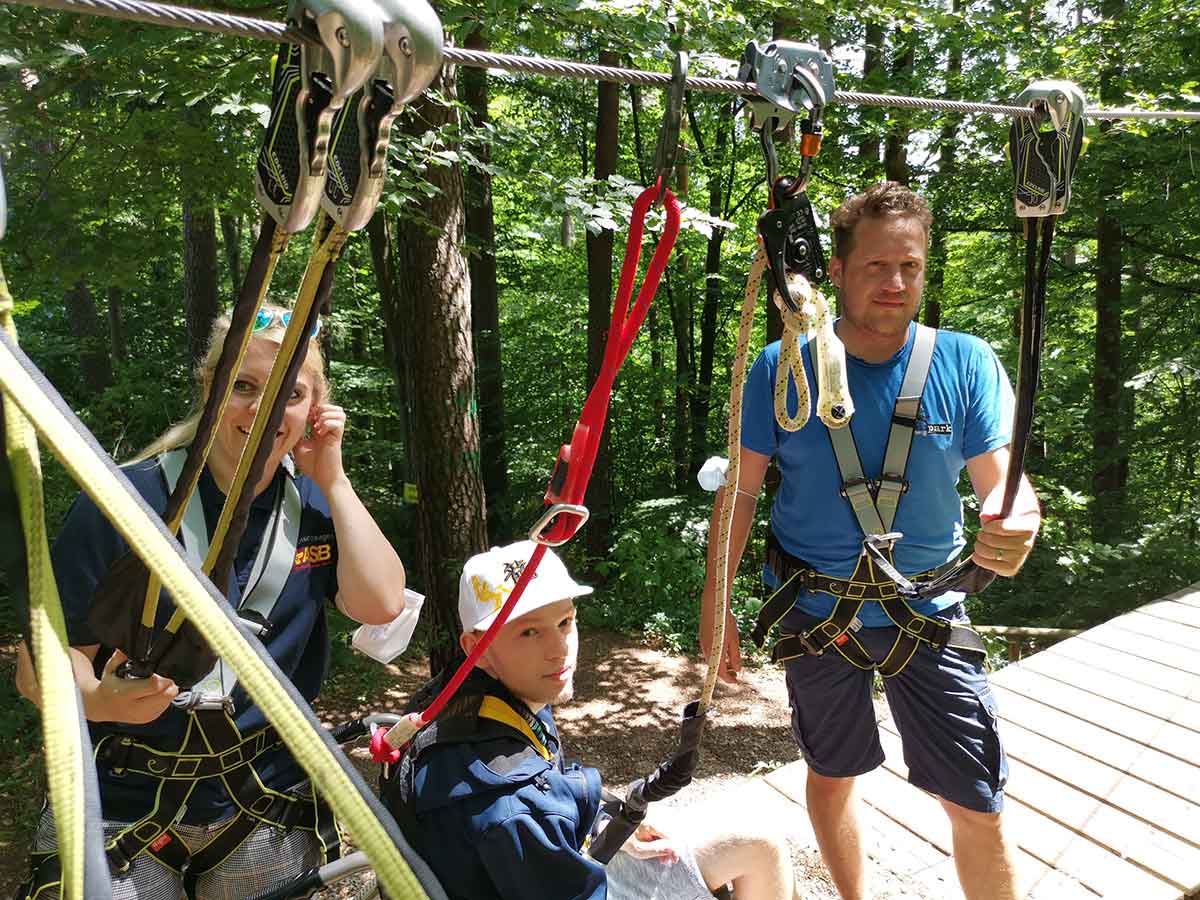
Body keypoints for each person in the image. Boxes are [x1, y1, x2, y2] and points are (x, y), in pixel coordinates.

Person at [699, 182, 1041, 900]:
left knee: (977, 798)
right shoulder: (783, 369)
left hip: (932, 612)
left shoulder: (964, 362)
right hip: (817, 614)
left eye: (910, 267)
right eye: (876, 267)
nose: (895, 283)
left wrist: (1017, 520)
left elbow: (1002, 481)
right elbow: (741, 491)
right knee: (832, 772)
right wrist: (716, 605)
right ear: (837, 273)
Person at [14, 303, 411, 899]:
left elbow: (380, 604)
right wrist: (97, 699)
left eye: (289, 394)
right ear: (211, 388)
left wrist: (335, 479)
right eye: (244, 387)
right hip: (125, 802)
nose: (264, 409)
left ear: (314, 411)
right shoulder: (125, 501)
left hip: (264, 802)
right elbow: (38, 665)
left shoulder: (316, 509)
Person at [384, 541, 801, 900]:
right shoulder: (508, 806)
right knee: (760, 847)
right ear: (478, 646)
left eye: (565, 621)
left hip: (531, 871)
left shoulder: (468, 700)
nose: (559, 649)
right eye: (529, 632)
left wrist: (605, 825)